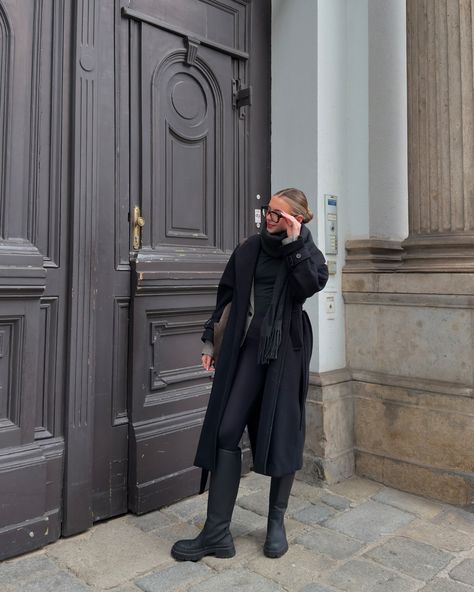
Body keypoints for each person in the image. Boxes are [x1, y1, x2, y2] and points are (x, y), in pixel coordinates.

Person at [171, 188, 329, 562]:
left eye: (278, 215)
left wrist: (293, 243)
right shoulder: (249, 249)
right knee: (226, 431)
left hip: (285, 353)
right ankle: (216, 533)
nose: (268, 219)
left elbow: (309, 285)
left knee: (284, 434)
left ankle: (276, 523)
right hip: (245, 352)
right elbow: (226, 297)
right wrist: (211, 343)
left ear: (297, 220)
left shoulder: (306, 254)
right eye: (267, 212)